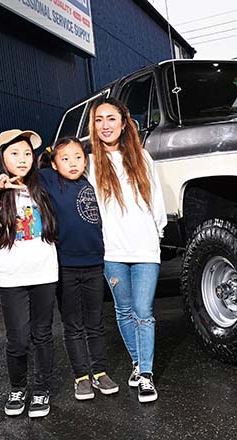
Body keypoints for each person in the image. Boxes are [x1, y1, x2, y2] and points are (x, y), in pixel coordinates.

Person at [0, 136, 120, 401]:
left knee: (96, 322)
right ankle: (81, 377)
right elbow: (17, 168)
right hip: (64, 267)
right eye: (65, 158)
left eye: (78, 157)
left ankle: (100, 371)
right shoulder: (48, 181)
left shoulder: (92, 181)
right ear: (53, 163)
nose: (73, 163)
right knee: (73, 324)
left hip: (95, 263)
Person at [87, 97, 167, 403]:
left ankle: (145, 375)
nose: (105, 125)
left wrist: (156, 234)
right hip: (112, 251)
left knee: (143, 311)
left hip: (145, 248)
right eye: (98, 120)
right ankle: (136, 362)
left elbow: (156, 200)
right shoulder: (90, 163)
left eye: (111, 118)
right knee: (123, 310)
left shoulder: (142, 158)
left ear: (124, 123)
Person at [0, 129, 57, 418]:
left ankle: (42, 389)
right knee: (18, 338)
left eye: (27, 153)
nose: (22, 159)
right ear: (1, 159)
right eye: (14, 153)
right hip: (11, 277)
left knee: (42, 334)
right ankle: (18, 388)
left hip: (45, 273)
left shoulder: (43, 188)